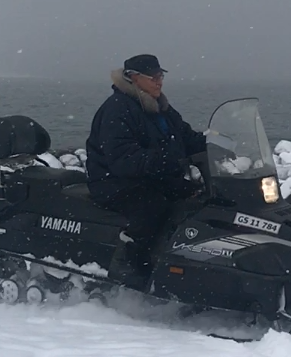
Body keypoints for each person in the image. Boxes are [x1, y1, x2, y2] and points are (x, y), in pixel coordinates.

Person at [85, 54, 207, 285]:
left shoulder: (161, 108)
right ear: (132, 78)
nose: (159, 81)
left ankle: (185, 263)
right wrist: (164, 160)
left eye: (160, 76)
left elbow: (186, 137)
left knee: (199, 200)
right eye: (153, 77)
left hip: (153, 177)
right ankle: (127, 262)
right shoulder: (117, 109)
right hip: (114, 181)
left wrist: (218, 145)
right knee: (151, 208)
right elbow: (123, 158)